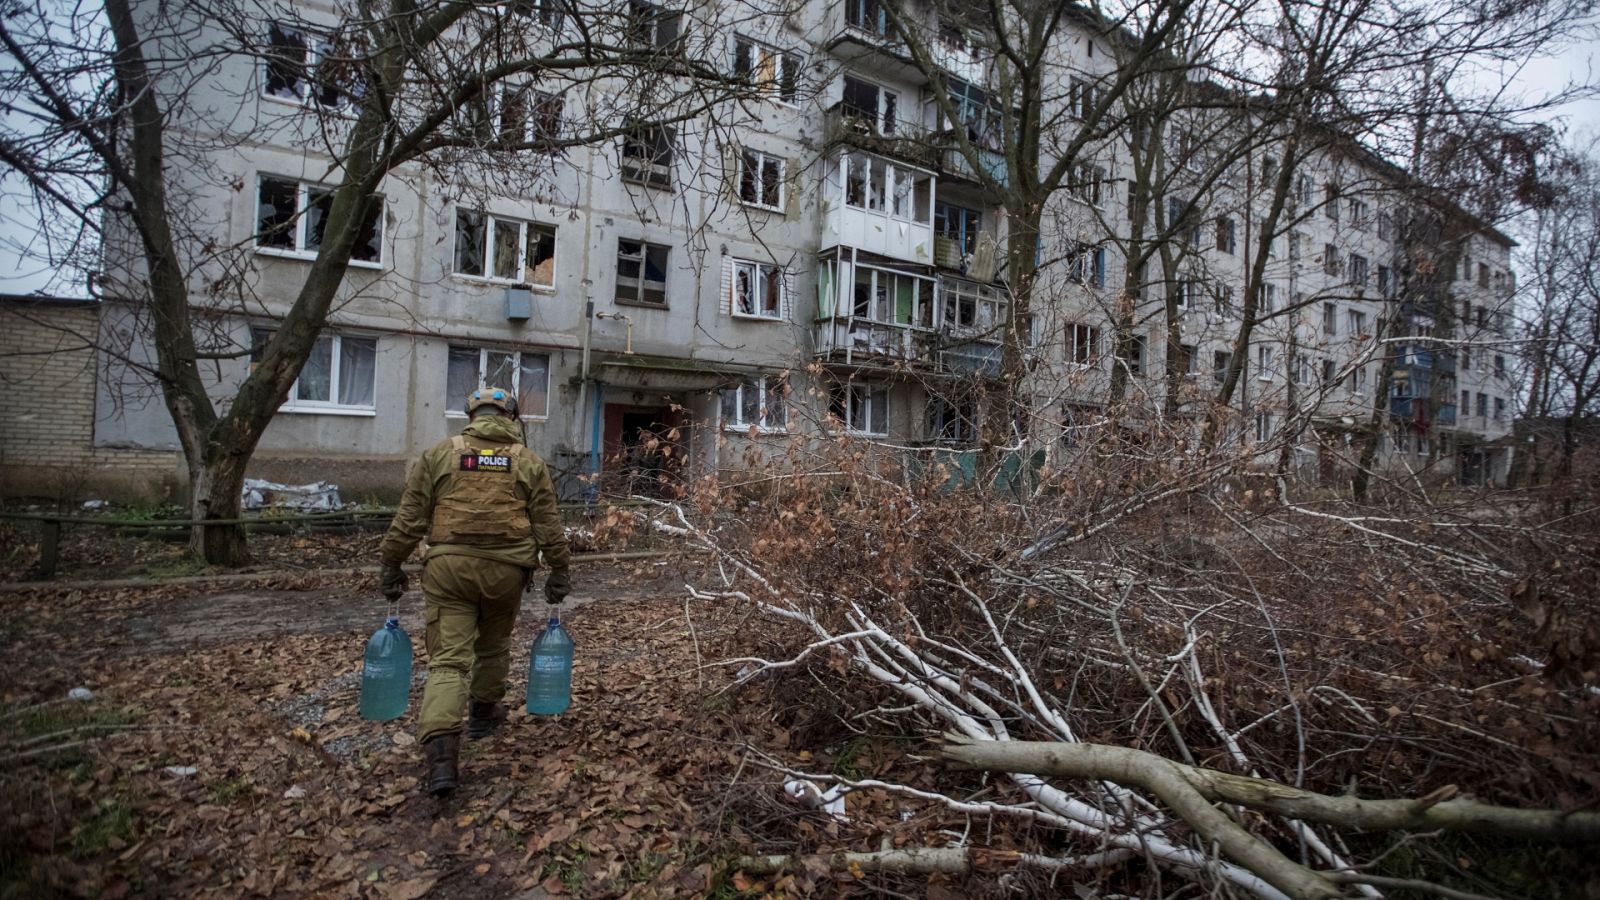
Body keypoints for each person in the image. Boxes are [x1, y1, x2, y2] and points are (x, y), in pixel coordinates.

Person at [378, 386, 572, 796]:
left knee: (449, 661)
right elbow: (548, 526)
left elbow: (410, 519)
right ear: (511, 418)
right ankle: (483, 716)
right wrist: (560, 569)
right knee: (493, 646)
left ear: (470, 417)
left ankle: (443, 762)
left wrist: (391, 563)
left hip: (449, 571)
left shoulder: (439, 455)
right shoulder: (529, 462)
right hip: (506, 573)